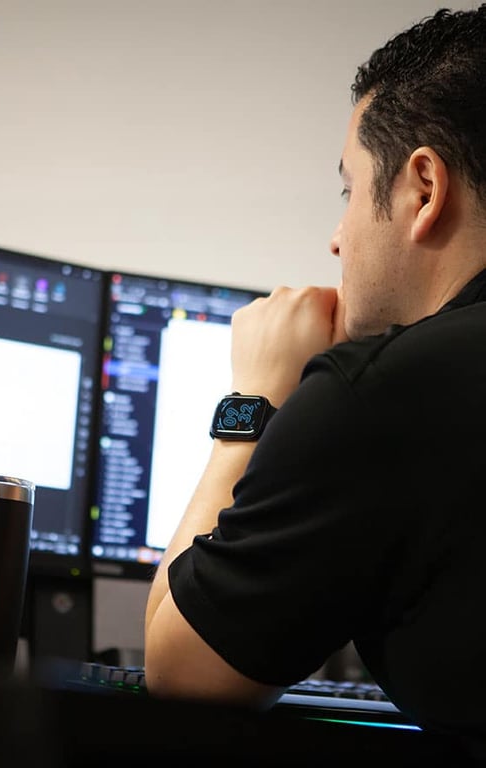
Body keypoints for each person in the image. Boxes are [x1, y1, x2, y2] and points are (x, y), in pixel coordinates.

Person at [144, 5, 486, 753]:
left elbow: (182, 676)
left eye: (348, 190)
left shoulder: (387, 390)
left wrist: (254, 400)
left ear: (422, 189)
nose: (337, 237)